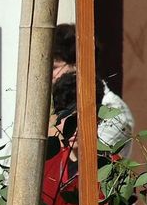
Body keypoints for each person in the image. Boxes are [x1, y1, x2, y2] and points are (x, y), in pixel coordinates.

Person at [53, 23, 136, 152]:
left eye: (54, 68)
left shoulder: (112, 110)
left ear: (77, 65)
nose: (48, 76)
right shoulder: (53, 102)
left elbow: (92, 160)